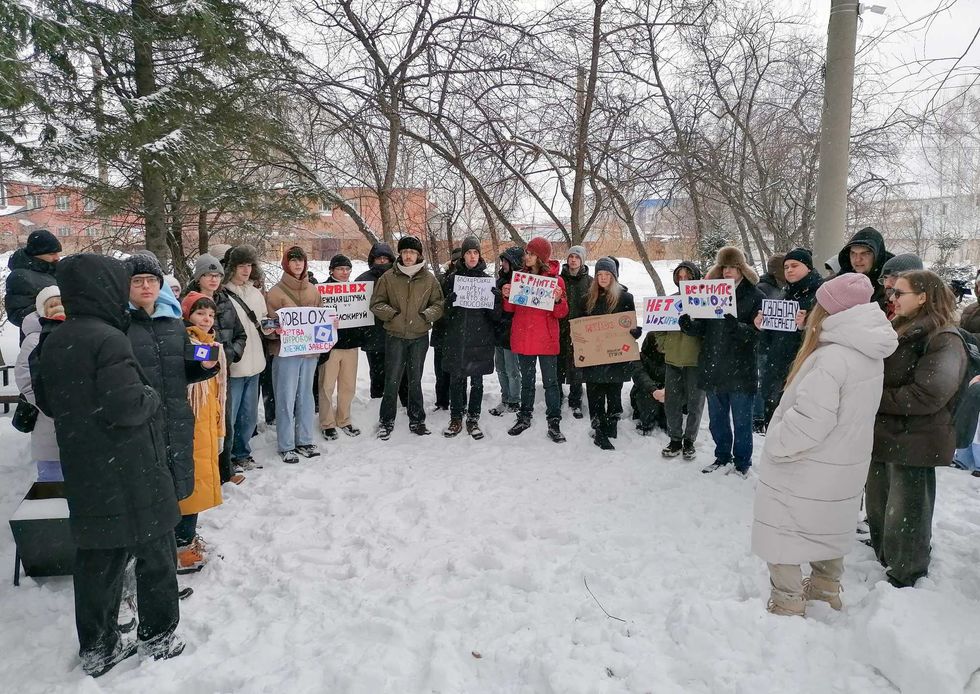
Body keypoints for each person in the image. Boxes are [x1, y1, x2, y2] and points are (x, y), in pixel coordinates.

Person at [35, 254, 184, 676]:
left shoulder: (58, 338)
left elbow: (47, 401)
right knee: (156, 553)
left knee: (99, 559)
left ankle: (98, 647)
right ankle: (158, 637)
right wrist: (151, 395)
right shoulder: (108, 338)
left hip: (87, 467)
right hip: (132, 468)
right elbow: (129, 406)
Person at [752, 273, 898, 617]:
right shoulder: (865, 351)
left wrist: (777, 442)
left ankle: (787, 602)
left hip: (808, 465)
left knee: (784, 532)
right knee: (828, 523)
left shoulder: (833, 357)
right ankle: (825, 589)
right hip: (842, 463)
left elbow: (811, 421)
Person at [868, 270, 967, 588]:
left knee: (908, 512)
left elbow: (929, 393)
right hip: (888, 434)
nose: (892, 298)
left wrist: (872, 397)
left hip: (916, 440)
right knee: (882, 506)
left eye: (900, 293)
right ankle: (889, 558)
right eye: (891, 292)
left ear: (923, 297)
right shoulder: (899, 327)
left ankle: (907, 572)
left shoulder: (944, 337)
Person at [679, 246, 765, 477]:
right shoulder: (709, 292)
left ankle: (742, 463)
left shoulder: (756, 296)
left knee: (741, 421)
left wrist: (737, 327)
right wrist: (688, 325)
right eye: (724, 267)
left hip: (740, 369)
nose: (728, 271)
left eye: (733, 267)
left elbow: (760, 334)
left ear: (742, 269)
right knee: (717, 421)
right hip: (713, 365)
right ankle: (722, 456)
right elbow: (704, 328)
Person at [370, 236, 444, 439]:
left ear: (418, 254)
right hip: (395, 336)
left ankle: (417, 419)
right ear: (400, 254)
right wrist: (392, 315)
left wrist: (425, 316)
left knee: (415, 380)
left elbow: (438, 304)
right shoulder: (389, 277)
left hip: (419, 337)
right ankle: (386, 421)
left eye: (412, 252)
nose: (408, 256)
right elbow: (376, 304)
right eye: (404, 252)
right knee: (391, 380)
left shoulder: (429, 279)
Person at [185, 253, 247, 481]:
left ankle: (224, 470)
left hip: (222, 374)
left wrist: (227, 355)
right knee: (201, 427)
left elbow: (240, 334)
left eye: (217, 275)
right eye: (208, 275)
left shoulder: (226, 300)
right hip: (195, 377)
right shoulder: (187, 301)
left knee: (224, 420)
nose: (213, 279)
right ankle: (204, 473)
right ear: (199, 276)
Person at [176, 292, 226, 573]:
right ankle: (182, 547)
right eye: (199, 314)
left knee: (198, 486)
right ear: (187, 316)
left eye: (210, 315)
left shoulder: (211, 344)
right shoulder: (188, 344)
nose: (206, 319)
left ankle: (187, 538)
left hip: (206, 422)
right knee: (189, 488)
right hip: (191, 424)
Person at [502, 236, 569, 443]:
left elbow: (562, 313)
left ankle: (554, 420)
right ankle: (524, 416)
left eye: (531, 253)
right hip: (525, 337)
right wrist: (506, 296)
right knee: (527, 383)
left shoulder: (556, 281)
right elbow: (510, 309)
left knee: (551, 382)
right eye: (527, 253)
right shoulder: (519, 278)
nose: (527, 256)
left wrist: (558, 300)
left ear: (540, 257)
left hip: (546, 338)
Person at [753, 249, 823, 430]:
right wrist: (762, 326)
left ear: (808, 267)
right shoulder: (783, 295)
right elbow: (768, 340)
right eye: (786, 267)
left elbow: (825, 334)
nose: (789, 270)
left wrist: (805, 326)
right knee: (775, 427)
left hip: (803, 372)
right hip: (776, 372)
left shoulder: (820, 296)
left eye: (794, 265)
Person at [266, 246, 322, 463]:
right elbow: (267, 323)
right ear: (286, 264)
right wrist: (274, 330)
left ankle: (305, 439)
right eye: (293, 261)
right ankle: (286, 444)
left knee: (306, 397)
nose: (298, 264)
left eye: (301, 261)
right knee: (286, 398)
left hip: (309, 353)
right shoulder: (275, 292)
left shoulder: (313, 291)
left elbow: (321, 319)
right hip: (285, 353)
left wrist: (329, 324)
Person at [440, 236, 497, 439]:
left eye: (475, 252)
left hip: (480, 339)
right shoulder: (452, 280)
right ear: (463, 256)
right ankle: (456, 418)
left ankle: (473, 418)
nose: (472, 256)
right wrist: (449, 302)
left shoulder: (487, 280)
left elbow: (496, 317)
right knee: (456, 380)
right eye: (468, 253)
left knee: (477, 382)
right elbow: (443, 314)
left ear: (479, 255)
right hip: (457, 338)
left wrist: (495, 299)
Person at [579, 257, 639, 450]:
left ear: (614, 276)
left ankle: (612, 422)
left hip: (616, 357)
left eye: (607, 274)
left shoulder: (625, 298)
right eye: (599, 274)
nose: (603, 278)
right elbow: (579, 326)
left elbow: (631, 325)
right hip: (594, 357)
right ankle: (598, 429)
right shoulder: (587, 299)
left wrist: (635, 332)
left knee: (613, 391)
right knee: (595, 393)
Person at [223, 245, 271, 470]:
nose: (245, 270)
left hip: (255, 363)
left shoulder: (255, 293)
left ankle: (242, 453)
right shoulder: (223, 294)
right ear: (231, 267)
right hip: (234, 365)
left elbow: (262, 321)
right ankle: (226, 458)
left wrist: (273, 327)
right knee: (229, 417)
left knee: (249, 415)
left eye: (249, 265)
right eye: (241, 265)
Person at [16, 285, 65, 482]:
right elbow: (25, 379)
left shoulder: (78, 333)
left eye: (61, 304)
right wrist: (47, 406)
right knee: (52, 484)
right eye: (52, 305)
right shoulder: (34, 340)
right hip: (47, 421)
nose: (57, 308)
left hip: (79, 423)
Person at [658, 261, 705, 459]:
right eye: (680, 277)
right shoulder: (670, 301)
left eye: (688, 276)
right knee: (672, 402)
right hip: (673, 359)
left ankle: (690, 440)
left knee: (695, 403)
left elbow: (709, 331)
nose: (683, 280)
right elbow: (658, 328)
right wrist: (665, 346)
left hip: (695, 360)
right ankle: (675, 438)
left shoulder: (704, 300)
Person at [318, 254, 364, 439]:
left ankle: (344, 419)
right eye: (340, 269)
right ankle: (327, 422)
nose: (344, 273)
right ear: (332, 270)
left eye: (347, 269)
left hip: (351, 344)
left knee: (348, 385)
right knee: (326, 385)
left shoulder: (355, 290)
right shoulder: (322, 289)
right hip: (330, 345)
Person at [356, 242, 407, 404]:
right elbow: (352, 307)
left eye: (386, 258)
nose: (383, 261)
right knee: (377, 372)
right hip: (373, 334)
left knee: (401, 370)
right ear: (373, 260)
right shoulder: (362, 280)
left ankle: (404, 401)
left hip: (397, 332)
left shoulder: (400, 277)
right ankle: (377, 401)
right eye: (379, 258)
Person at [489, 246, 525, 417]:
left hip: (512, 332)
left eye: (506, 261)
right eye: (502, 261)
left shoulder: (522, 281)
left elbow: (517, 309)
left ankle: (514, 400)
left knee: (512, 369)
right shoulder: (498, 280)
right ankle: (505, 398)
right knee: (501, 368)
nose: (503, 264)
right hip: (498, 331)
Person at [558, 245, 592, 419]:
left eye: (577, 257)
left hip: (580, 329)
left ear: (582, 260)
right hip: (559, 327)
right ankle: (557, 396)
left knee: (578, 365)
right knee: (558, 363)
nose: (573, 260)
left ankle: (575, 400)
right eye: (571, 256)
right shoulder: (558, 279)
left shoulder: (589, 281)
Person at [5, 228, 60, 334]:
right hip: (37, 340)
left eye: (57, 253)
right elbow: (16, 315)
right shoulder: (20, 276)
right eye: (52, 253)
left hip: (60, 336)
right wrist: (49, 307)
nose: (57, 257)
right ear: (37, 254)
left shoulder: (54, 271)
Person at [753, 254, 786, 431]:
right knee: (762, 381)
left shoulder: (779, 287)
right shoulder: (764, 288)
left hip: (772, 343)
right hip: (764, 343)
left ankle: (761, 416)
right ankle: (758, 417)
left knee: (766, 380)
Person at [431, 247, 462, 412]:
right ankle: (441, 401)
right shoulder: (441, 279)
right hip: (442, 330)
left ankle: (457, 399)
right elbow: (435, 302)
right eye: (455, 261)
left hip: (460, 331)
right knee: (440, 369)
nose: (457, 264)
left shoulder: (469, 280)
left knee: (457, 370)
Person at [836, 227, 894, 311]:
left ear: (877, 256)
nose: (857, 259)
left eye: (865, 254)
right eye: (853, 253)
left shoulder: (891, 285)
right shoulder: (838, 282)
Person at [631, 332, 667, 436]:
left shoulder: (670, 357)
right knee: (647, 396)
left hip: (665, 389)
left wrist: (666, 388)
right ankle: (647, 422)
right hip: (646, 390)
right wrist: (653, 389)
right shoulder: (639, 357)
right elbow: (640, 375)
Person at [878, 254, 924, 320]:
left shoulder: (925, 319)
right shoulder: (881, 308)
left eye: (894, 277)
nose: (887, 284)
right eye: (885, 278)